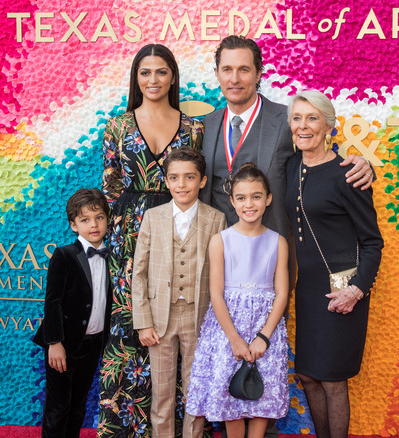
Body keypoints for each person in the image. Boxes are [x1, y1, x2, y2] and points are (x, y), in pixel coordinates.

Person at [100, 44, 204, 437]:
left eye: (161, 72)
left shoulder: (194, 129)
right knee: (132, 324)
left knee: (176, 322)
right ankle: (126, 428)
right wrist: (117, 242)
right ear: (136, 78)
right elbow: (110, 186)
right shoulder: (117, 126)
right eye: (145, 73)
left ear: (173, 77)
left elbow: (196, 184)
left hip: (179, 234)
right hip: (129, 238)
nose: (153, 80)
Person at [200, 35, 374, 237]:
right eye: (227, 69)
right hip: (218, 248)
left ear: (258, 75)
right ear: (217, 74)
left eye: (244, 69)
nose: (235, 79)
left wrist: (362, 165)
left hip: (274, 248)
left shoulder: (288, 119)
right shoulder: (207, 125)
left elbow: (320, 161)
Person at [284, 90, 384, 438]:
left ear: (329, 125)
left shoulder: (348, 174)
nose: (303, 126)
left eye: (312, 118)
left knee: (332, 380)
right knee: (309, 376)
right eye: (297, 118)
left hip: (344, 289)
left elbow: (372, 242)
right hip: (309, 290)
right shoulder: (292, 165)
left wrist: (356, 291)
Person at [186, 163, 290, 438]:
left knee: (261, 400)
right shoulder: (220, 241)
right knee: (231, 397)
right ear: (232, 201)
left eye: (256, 196)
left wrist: (263, 338)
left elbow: (282, 293)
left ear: (268, 199)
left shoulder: (278, 242)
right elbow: (216, 294)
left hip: (265, 330)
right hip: (227, 331)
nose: (249, 204)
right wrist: (235, 339)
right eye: (241, 198)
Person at [131, 147, 227, 438]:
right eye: (174, 177)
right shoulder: (152, 217)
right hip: (160, 319)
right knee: (161, 394)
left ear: (202, 181)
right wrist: (143, 321)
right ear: (166, 181)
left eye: (189, 177)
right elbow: (139, 272)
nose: (181, 184)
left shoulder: (216, 219)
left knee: (195, 392)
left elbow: (221, 275)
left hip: (198, 317)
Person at [33, 188, 113, 438]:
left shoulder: (113, 256)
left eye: (99, 217)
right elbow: (52, 302)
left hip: (92, 342)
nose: (94, 225)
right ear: (73, 225)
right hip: (64, 343)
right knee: (58, 408)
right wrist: (54, 343)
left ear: (108, 220)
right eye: (85, 220)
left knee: (78, 405)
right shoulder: (64, 255)